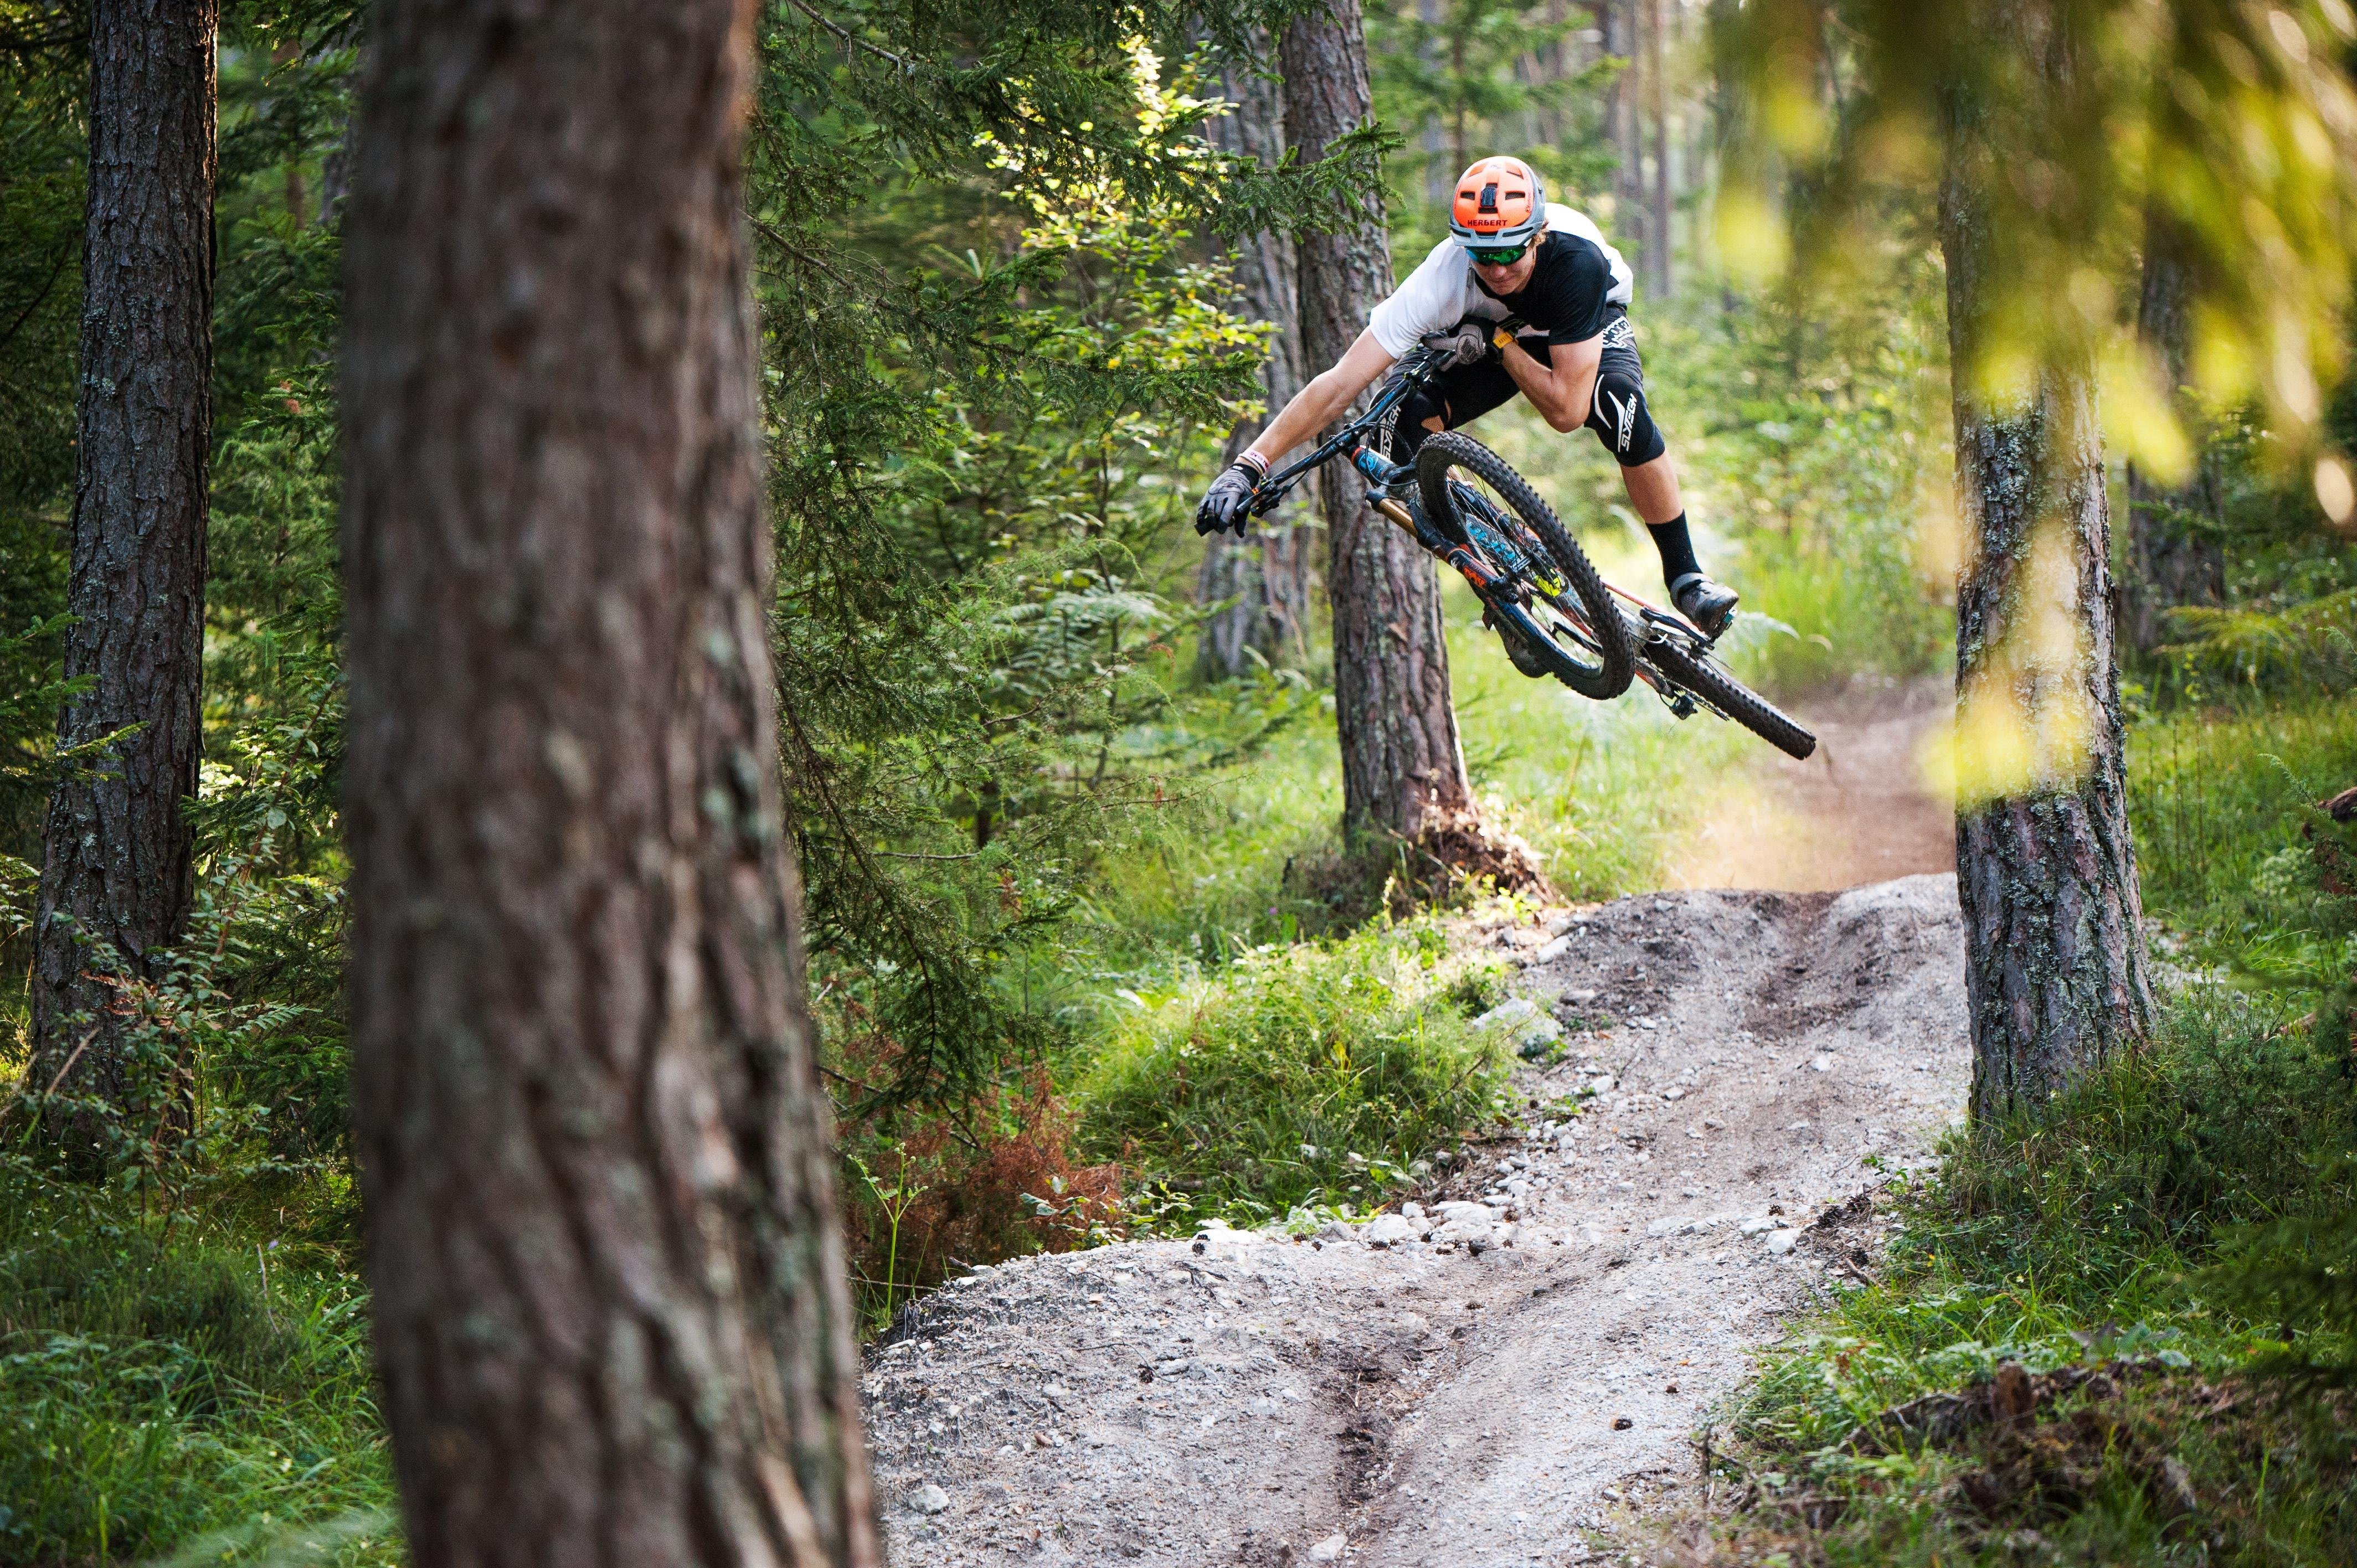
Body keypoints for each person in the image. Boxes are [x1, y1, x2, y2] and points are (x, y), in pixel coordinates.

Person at [1195, 154, 1739, 638]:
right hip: (1480, 343)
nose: (1497, 268)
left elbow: (1565, 413)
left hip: (1560, 334)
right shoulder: (1441, 280)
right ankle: (1494, 574)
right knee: (1392, 427)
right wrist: (1248, 466)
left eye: (1509, 251)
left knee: (1617, 406)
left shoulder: (1576, 263)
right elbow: (1340, 382)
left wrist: (1500, 341)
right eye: (1481, 253)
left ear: (1537, 234)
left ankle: (1686, 579)